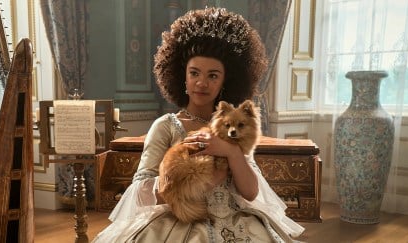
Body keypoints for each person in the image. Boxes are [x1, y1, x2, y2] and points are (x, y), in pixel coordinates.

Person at [92, 7, 304, 243]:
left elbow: (251, 192)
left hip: (237, 222)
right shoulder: (166, 126)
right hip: (179, 222)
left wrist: (231, 152)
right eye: (194, 73)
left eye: (213, 75)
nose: (202, 83)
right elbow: (141, 194)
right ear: (183, 77)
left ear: (225, 81)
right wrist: (191, 182)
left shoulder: (233, 128)